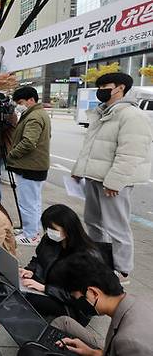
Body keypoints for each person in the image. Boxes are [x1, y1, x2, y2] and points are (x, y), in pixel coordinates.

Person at [71, 73, 152, 283]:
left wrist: (115, 181)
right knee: (93, 222)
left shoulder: (132, 115)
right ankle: (98, 260)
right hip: (94, 177)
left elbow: (131, 153)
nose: (100, 89)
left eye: (105, 85)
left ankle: (122, 271)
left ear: (120, 88)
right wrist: (79, 169)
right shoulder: (102, 113)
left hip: (112, 182)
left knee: (117, 227)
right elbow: (90, 146)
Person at [17, 205, 105, 326]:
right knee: (14, 282)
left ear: (68, 228)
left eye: (53, 228)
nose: (49, 232)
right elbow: (39, 259)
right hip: (48, 286)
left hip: (73, 306)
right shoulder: (50, 239)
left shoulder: (87, 256)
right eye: (47, 228)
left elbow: (80, 296)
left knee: (30, 298)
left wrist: (44, 288)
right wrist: (30, 271)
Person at [50, 252, 153, 355]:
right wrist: (92, 352)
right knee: (63, 322)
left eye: (77, 298)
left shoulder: (129, 342)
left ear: (94, 293)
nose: (78, 303)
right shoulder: (135, 302)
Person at [6, 86, 51, 245]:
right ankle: (31, 229)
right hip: (35, 165)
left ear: (31, 99)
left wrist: (11, 154)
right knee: (34, 201)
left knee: (27, 202)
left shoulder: (34, 117)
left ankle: (31, 234)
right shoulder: (36, 114)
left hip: (30, 166)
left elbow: (28, 142)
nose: (19, 105)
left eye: (21, 102)